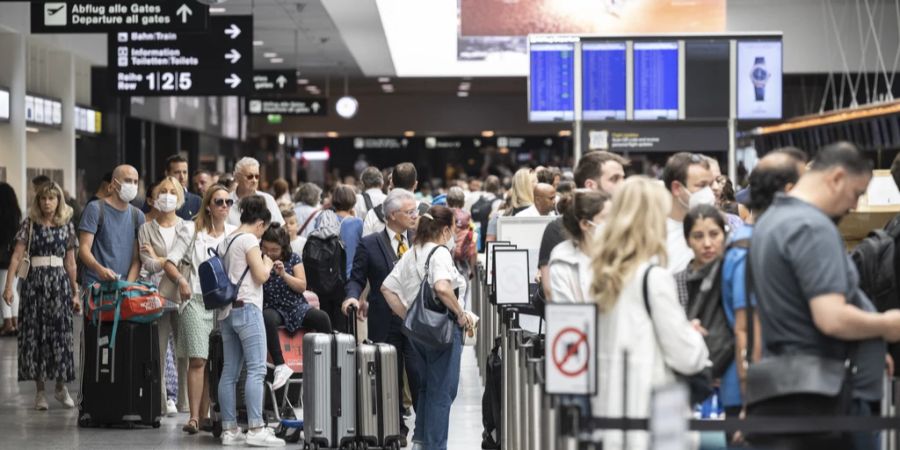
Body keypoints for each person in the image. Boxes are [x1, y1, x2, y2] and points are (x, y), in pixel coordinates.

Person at [748, 142, 900, 449]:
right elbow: (831, 318)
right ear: (836, 178)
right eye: (856, 193)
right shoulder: (811, 227)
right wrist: (886, 324)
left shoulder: (771, 222)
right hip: (825, 399)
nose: (855, 206)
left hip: (794, 391)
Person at [589, 177, 709, 450]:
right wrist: (694, 335)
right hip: (654, 416)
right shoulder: (653, 278)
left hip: (613, 413)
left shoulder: (602, 276)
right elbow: (686, 356)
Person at [720, 151, 805, 428]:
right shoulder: (753, 248)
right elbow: (748, 328)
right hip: (756, 391)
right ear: (789, 191)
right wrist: (750, 401)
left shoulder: (744, 240)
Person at [381, 206, 472, 450]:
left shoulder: (413, 252)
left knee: (427, 388)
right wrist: (460, 314)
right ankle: (435, 446)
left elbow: (387, 288)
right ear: (444, 229)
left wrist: (410, 318)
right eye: (453, 229)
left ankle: (420, 441)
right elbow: (442, 287)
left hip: (418, 333)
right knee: (443, 392)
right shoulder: (440, 253)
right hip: (442, 330)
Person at [341, 188, 420, 446]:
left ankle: (424, 425)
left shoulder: (419, 239)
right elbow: (356, 278)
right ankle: (395, 428)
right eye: (410, 212)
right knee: (390, 377)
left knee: (418, 374)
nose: (415, 216)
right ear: (393, 215)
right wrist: (352, 296)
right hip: (385, 321)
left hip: (416, 321)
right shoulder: (370, 243)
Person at [164, 184, 236, 435]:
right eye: (219, 202)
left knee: (215, 361)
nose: (225, 206)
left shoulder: (234, 233)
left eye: (229, 202)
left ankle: (206, 415)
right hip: (195, 298)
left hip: (224, 303)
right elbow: (170, 262)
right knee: (198, 358)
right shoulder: (190, 229)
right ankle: (194, 417)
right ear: (208, 205)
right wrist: (181, 281)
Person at [3, 182, 80, 410]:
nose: (47, 203)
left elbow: (71, 262)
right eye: (43, 199)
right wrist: (9, 287)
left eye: (51, 198)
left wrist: (75, 292)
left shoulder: (66, 225)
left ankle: (60, 386)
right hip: (34, 284)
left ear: (58, 201)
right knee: (36, 335)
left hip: (58, 284)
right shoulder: (30, 225)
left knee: (60, 335)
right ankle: (39, 392)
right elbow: (16, 257)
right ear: (38, 201)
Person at [217, 195, 284, 447]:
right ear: (261, 223)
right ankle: (256, 428)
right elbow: (260, 276)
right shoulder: (249, 241)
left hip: (227, 312)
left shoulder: (227, 239)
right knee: (256, 369)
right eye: (263, 230)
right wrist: (266, 262)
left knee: (230, 372)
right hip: (247, 308)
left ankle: (229, 429)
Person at [539, 151, 628, 300]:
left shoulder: (627, 224)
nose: (623, 185)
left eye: (623, 178)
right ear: (590, 185)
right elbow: (551, 292)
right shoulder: (558, 229)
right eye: (614, 179)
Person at [138, 176, 191, 417]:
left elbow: (189, 262)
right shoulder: (145, 228)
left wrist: (160, 259)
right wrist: (168, 261)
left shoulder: (187, 227)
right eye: (163, 191)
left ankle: (185, 402)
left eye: (172, 191)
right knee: (157, 352)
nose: (167, 195)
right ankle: (160, 402)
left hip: (183, 295)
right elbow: (146, 264)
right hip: (157, 296)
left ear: (179, 197)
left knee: (185, 352)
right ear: (155, 197)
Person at [260, 224, 332, 390]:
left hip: (295, 305)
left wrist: (284, 274)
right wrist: (265, 266)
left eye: (274, 250)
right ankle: (280, 365)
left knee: (322, 318)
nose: (269, 253)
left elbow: (302, 286)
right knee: (268, 318)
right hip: (272, 305)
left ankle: (328, 362)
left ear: (283, 248)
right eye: (266, 248)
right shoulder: (259, 258)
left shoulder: (293, 258)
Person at [79, 164, 145, 286]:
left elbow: (136, 259)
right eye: (127, 180)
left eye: (135, 182)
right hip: (96, 286)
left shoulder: (138, 216)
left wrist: (127, 286)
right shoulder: (95, 209)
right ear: (114, 183)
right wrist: (99, 269)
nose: (132, 185)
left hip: (123, 286)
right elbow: (84, 249)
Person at [548, 190, 611, 302]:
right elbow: (567, 314)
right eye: (607, 217)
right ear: (585, 224)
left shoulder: (620, 255)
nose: (613, 222)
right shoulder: (563, 262)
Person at [662, 152, 715, 274]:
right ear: (676, 188)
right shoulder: (655, 234)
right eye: (701, 185)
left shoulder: (719, 227)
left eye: (710, 185)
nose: (710, 192)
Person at [673, 205, 727, 308]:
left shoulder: (733, 279)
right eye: (698, 236)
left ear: (724, 235)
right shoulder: (674, 285)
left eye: (714, 234)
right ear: (687, 240)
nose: (707, 244)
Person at [363, 162, 429, 237]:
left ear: (391, 184)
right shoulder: (427, 212)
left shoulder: (373, 214)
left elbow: (366, 244)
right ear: (415, 184)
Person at [227, 157, 284, 227]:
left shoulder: (268, 200)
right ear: (237, 177)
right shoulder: (226, 201)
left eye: (257, 176)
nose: (254, 180)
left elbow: (279, 228)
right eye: (250, 176)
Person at [0, 182, 22, 336]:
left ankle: (8, 323)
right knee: (12, 288)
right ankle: (16, 322)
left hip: (3, 259)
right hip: (14, 257)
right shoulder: (15, 216)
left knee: (3, 289)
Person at [164, 155, 202, 221]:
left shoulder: (196, 201)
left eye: (185, 172)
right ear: (167, 173)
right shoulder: (158, 199)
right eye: (177, 172)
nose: (182, 177)